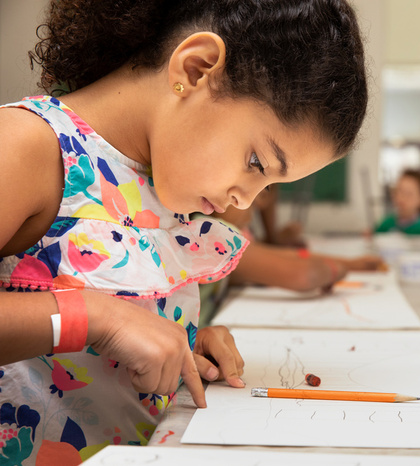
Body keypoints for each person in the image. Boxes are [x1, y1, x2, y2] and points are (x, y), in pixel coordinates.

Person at [0, 0, 368, 463]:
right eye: (257, 163)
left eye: (269, 184)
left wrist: (180, 343)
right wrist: (96, 318)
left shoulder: (164, 184)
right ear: (196, 69)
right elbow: (89, 314)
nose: (247, 200)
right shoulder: (25, 145)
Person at [214, 206, 386, 293]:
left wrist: (350, 263)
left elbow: (290, 255)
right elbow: (305, 274)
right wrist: (339, 269)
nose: (255, 205)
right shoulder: (215, 239)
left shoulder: (239, 232)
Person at [375, 169, 420, 235]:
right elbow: (374, 237)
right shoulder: (386, 223)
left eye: (408, 194)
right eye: (398, 191)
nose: (401, 198)